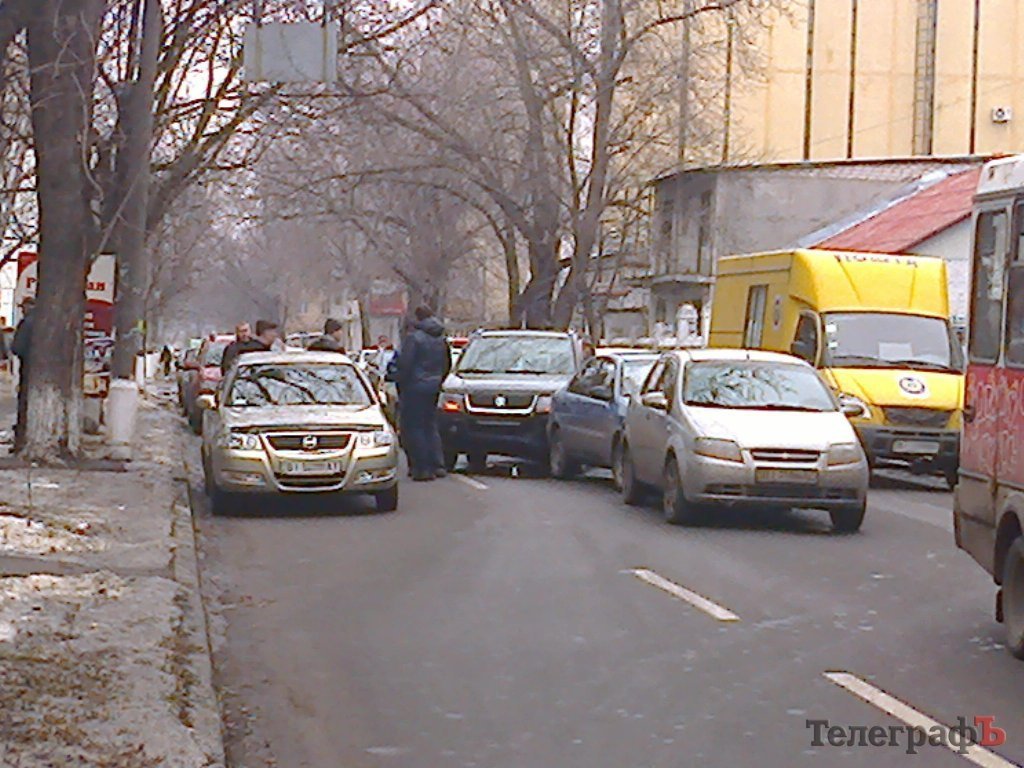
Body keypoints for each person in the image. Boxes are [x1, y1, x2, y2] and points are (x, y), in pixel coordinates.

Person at [396, 306, 451, 481]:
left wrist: (400, 383)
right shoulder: (441, 339)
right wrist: (438, 380)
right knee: (430, 425)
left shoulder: (414, 338)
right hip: (433, 386)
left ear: (417, 318)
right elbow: (447, 364)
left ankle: (422, 468)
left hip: (415, 387)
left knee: (414, 427)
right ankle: (438, 465)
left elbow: (405, 365)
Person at [11, 299, 34, 450]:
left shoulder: (27, 323)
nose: (22, 310)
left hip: (27, 369)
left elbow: (17, 347)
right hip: (41, 372)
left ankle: (21, 440)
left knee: (24, 404)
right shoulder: (44, 321)